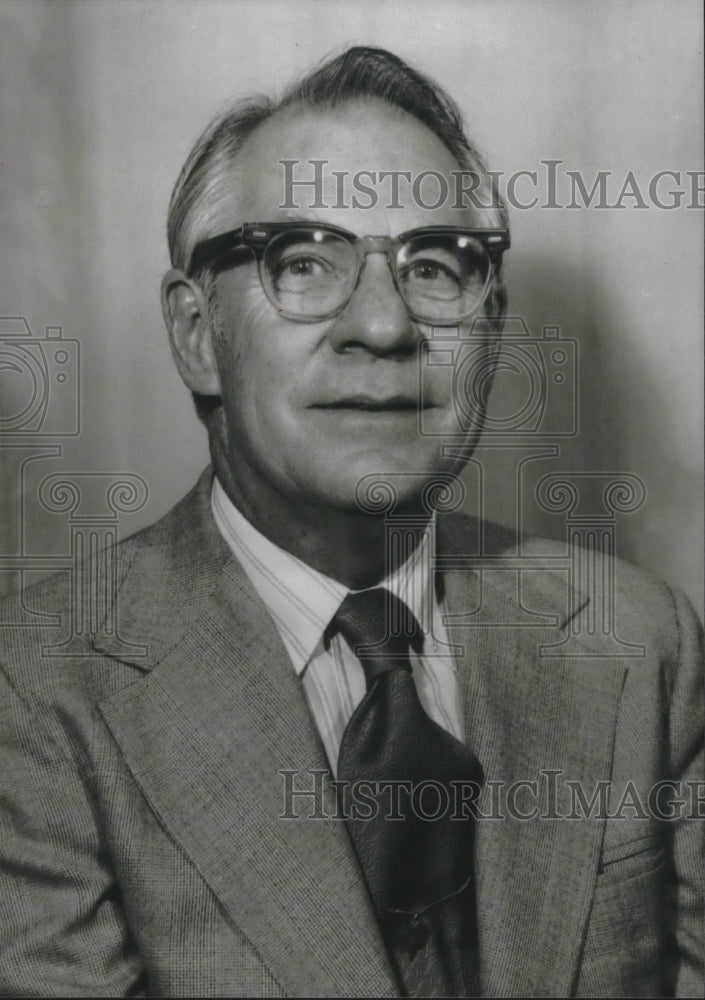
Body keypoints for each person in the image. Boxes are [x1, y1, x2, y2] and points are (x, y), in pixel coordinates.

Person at [0, 45, 702, 998]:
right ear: (198, 335)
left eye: (436, 266)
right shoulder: (36, 689)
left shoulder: (641, 644)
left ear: (490, 329)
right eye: (303, 262)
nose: (383, 324)